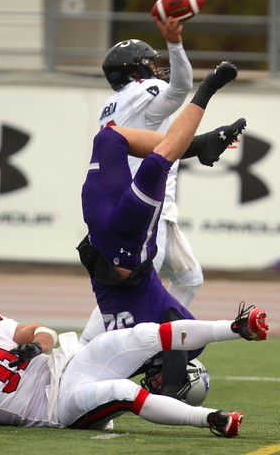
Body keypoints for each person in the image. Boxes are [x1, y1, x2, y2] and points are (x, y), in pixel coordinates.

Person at [77, 60, 246, 398]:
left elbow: (188, 336)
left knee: (118, 139)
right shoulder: (145, 350)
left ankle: (202, 129)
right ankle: (204, 123)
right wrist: (235, 328)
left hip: (118, 239)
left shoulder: (125, 357)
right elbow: (187, 334)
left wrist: (236, 329)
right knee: (157, 155)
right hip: (113, 233)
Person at [0, 303, 268, 437]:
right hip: (58, 408)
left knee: (140, 335)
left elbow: (37, 330)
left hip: (71, 362)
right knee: (123, 392)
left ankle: (235, 328)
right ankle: (211, 419)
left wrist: (38, 345)